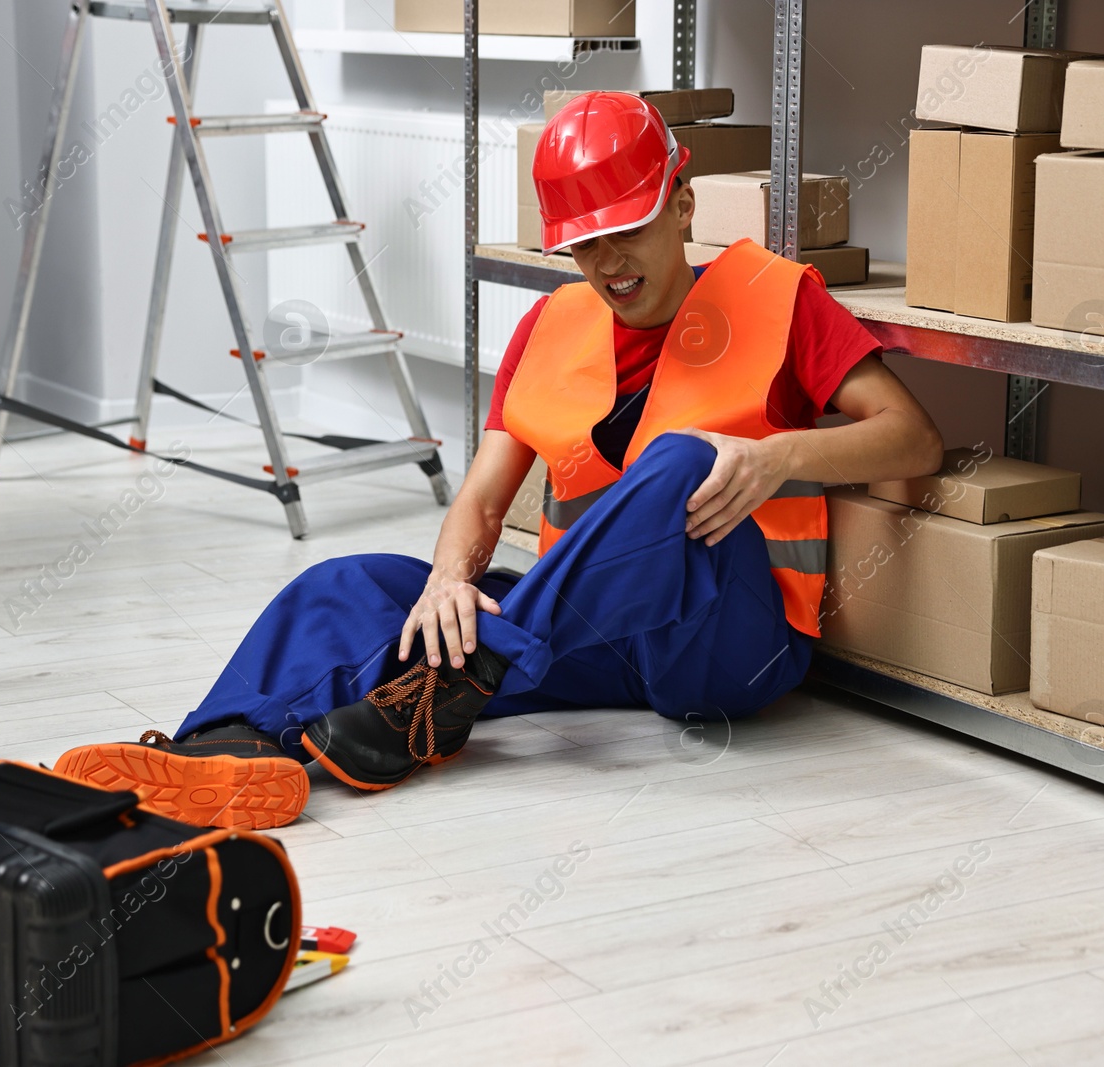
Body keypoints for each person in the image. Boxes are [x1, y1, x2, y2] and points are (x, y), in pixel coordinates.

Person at [53, 92, 943, 830]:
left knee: (684, 460)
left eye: (627, 228)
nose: (608, 262)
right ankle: (225, 747)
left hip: (727, 642)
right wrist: (447, 581)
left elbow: (912, 438)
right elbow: (482, 501)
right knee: (349, 584)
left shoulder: (779, 297)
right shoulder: (548, 328)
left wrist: (773, 457)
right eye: (585, 242)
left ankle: (458, 679)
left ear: (682, 202)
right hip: (587, 637)